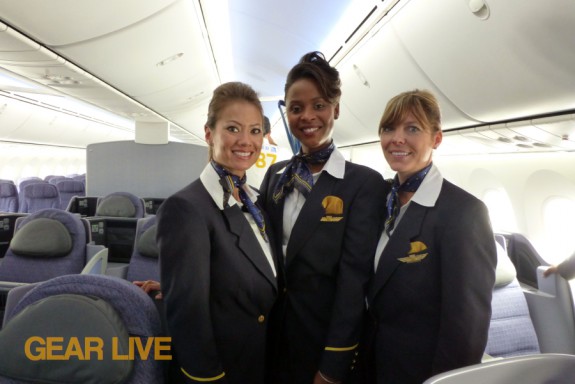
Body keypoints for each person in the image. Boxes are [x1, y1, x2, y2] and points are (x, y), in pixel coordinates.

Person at [259, 51, 388, 384]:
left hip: (322, 344)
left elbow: (353, 283)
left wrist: (334, 366)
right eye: (296, 108)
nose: (307, 117)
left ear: (336, 109)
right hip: (270, 338)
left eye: (319, 106)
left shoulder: (363, 184)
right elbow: (253, 250)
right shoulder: (275, 175)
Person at [365, 89, 497, 384]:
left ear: (436, 138)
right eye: (389, 128)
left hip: (422, 374)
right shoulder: (380, 202)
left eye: (412, 128)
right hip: (373, 367)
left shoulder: (464, 213)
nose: (397, 138)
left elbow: (466, 331)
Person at [156, 81, 278, 384]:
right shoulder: (185, 208)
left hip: (262, 362)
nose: (246, 141)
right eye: (233, 129)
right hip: (222, 372)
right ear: (209, 133)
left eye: (255, 130)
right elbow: (188, 316)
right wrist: (208, 378)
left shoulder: (256, 201)